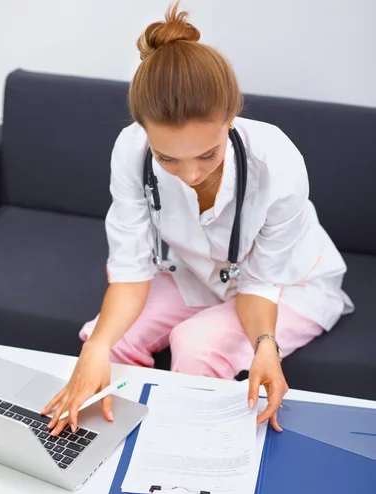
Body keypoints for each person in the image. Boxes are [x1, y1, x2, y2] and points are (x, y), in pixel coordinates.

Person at [43, 1, 353, 436]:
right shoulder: (130, 151)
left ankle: (184, 458)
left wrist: (266, 344)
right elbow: (132, 271)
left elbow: (262, 283)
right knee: (106, 337)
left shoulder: (277, 161)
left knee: (197, 342)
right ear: (144, 132)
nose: (190, 175)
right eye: (167, 157)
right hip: (201, 274)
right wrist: (97, 346)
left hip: (289, 285)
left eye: (208, 154)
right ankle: (108, 442)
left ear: (231, 118)